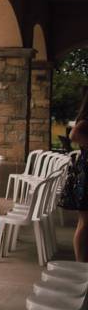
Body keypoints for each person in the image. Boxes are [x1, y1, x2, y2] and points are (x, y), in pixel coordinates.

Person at [65, 90, 88, 262]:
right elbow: (73, 135)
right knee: (84, 222)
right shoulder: (85, 121)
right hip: (86, 177)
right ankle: (81, 264)